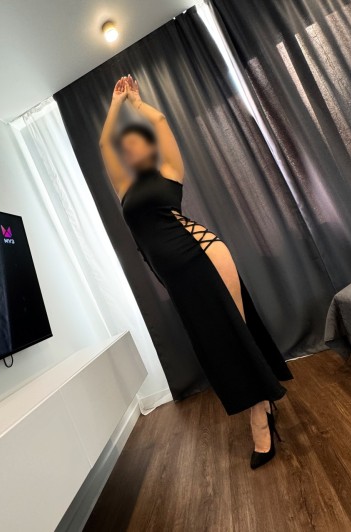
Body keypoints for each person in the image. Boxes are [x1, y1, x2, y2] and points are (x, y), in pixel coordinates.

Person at [100, 75, 293, 469]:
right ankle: (263, 401)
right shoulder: (125, 188)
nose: (131, 146)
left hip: (204, 253)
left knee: (234, 335)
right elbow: (105, 144)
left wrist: (135, 101)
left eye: (139, 140)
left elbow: (160, 121)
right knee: (214, 343)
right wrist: (115, 104)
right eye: (127, 144)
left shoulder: (170, 171)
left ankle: (260, 418)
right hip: (177, 275)